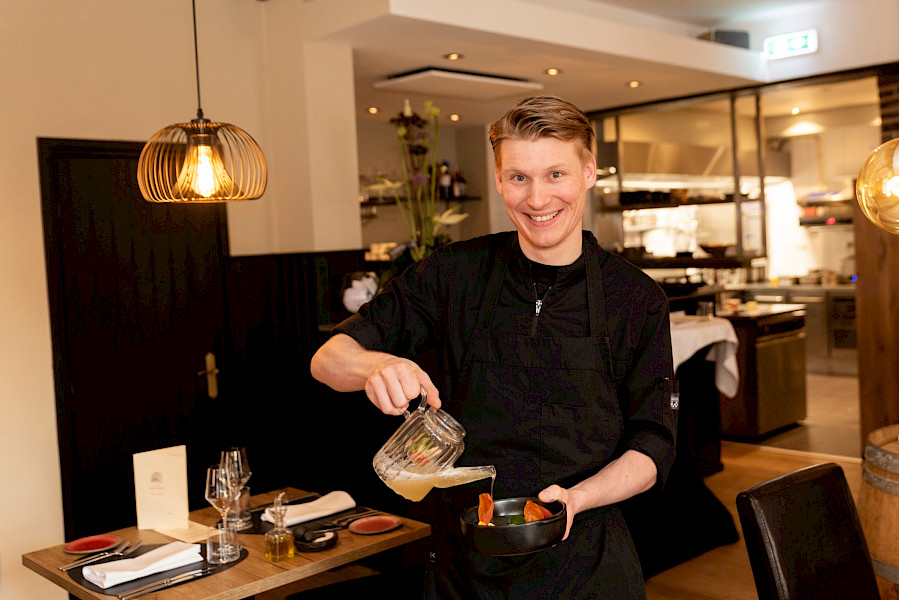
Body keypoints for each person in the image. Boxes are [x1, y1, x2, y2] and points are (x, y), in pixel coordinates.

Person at [311, 95, 677, 599]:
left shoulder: (637, 300)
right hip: (464, 570)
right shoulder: (453, 273)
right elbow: (328, 358)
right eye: (518, 178)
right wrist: (376, 365)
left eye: (556, 175)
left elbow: (653, 448)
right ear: (500, 179)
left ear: (589, 173)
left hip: (585, 565)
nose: (537, 199)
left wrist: (577, 498)